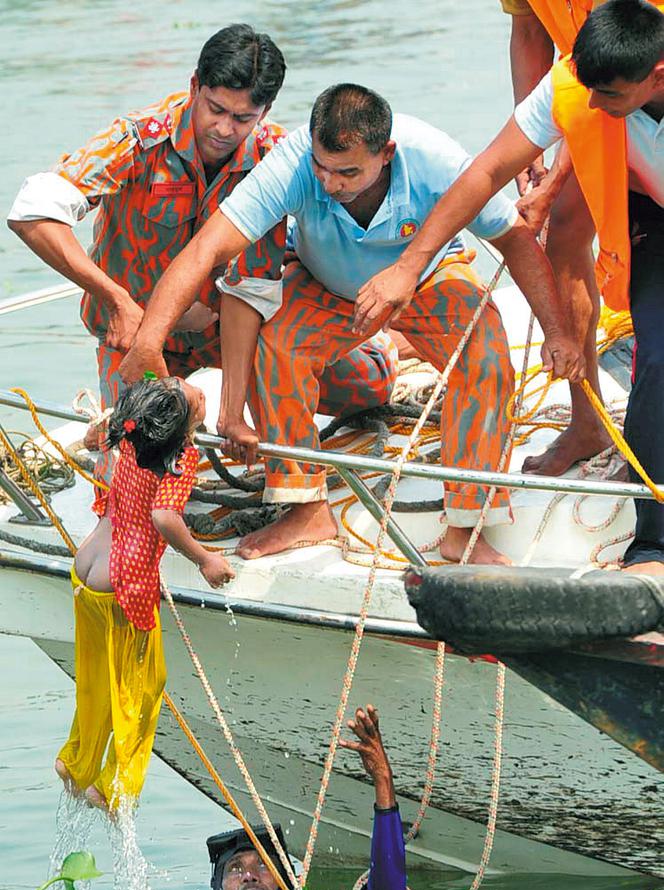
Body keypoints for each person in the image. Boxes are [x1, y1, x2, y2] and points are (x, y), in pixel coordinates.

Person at [121, 83, 582, 566]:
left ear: (387, 154)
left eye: (347, 172)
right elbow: (206, 249)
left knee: (485, 356)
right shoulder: (292, 163)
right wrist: (149, 341)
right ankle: (305, 508)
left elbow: (515, 240)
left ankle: (465, 526)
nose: (329, 183)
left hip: (426, 277)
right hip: (329, 285)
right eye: (321, 167)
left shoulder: (435, 159)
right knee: (277, 342)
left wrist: (557, 332)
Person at [353, 0, 664, 575]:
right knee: (659, 362)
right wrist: (409, 266)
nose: (593, 108)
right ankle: (655, 548)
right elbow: (486, 172)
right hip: (655, 216)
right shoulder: (576, 86)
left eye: (610, 98)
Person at [6, 24, 288, 484]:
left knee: (361, 382)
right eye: (215, 109)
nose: (224, 128)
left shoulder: (277, 156)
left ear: (265, 110)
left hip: (227, 330)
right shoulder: (137, 140)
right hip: (133, 338)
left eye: (242, 117)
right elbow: (32, 211)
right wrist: (115, 299)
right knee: (133, 481)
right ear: (195, 86)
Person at [55, 377, 235, 810]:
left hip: (87, 566)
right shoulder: (180, 458)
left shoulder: (131, 435)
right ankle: (112, 789)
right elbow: (164, 517)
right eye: (192, 397)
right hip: (124, 579)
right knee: (143, 686)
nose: (197, 389)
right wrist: (204, 559)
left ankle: (75, 763)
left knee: (96, 678)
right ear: (181, 429)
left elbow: (100, 445)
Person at [501, 0, 611, 476]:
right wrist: (533, 143)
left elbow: (618, 60)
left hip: (637, 88)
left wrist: (557, 180)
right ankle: (588, 421)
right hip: (581, 94)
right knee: (562, 236)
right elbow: (529, 32)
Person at [207, 705, 406, 890]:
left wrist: (382, 778)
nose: (249, 876)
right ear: (217, 885)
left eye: (264, 865)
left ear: (287, 877)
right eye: (235, 868)